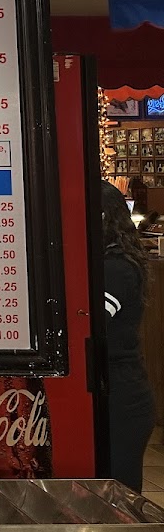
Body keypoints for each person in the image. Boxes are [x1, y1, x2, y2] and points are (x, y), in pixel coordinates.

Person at [100, 180, 155, 491]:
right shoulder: (114, 261)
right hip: (117, 392)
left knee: (120, 497)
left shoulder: (116, 268)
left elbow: (91, 324)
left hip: (122, 397)